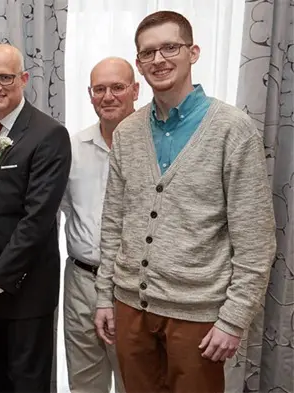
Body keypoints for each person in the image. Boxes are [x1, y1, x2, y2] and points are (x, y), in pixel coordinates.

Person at [94, 11, 276, 393]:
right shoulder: (127, 132)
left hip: (198, 317)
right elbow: (113, 224)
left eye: (169, 47)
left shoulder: (232, 129)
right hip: (130, 308)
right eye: (148, 53)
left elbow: (255, 240)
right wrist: (104, 299)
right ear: (139, 64)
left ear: (193, 52)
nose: (158, 59)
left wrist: (234, 319)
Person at [0, 44, 72, 392]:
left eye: (5, 77)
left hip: (25, 287)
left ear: (23, 79)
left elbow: (36, 220)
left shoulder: (49, 134)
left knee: (27, 384)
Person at [60, 57, 138, 393]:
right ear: (89, 95)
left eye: (117, 87)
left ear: (135, 90)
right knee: (84, 383)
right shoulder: (70, 148)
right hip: (81, 281)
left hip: (134, 287)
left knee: (134, 381)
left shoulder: (154, 145)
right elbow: (56, 209)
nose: (108, 96)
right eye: (99, 89)